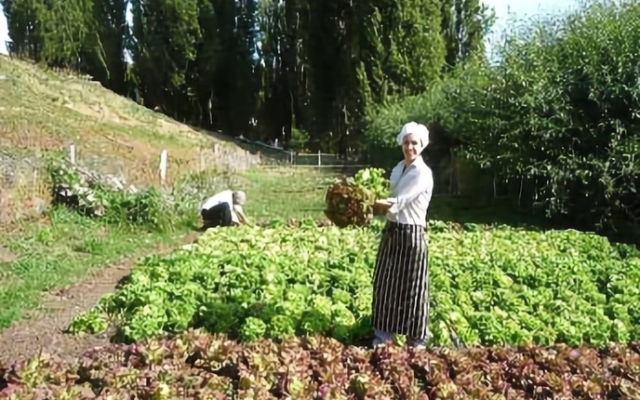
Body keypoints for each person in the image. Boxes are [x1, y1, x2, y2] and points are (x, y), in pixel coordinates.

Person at [371, 121, 434, 349]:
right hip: (392, 232)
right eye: (406, 142)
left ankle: (416, 339)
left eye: (414, 143)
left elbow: (400, 202)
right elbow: (389, 196)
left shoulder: (423, 173)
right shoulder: (398, 168)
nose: (410, 147)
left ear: (421, 145)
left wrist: (370, 203)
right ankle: (383, 336)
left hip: (412, 234)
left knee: (413, 287)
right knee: (385, 283)